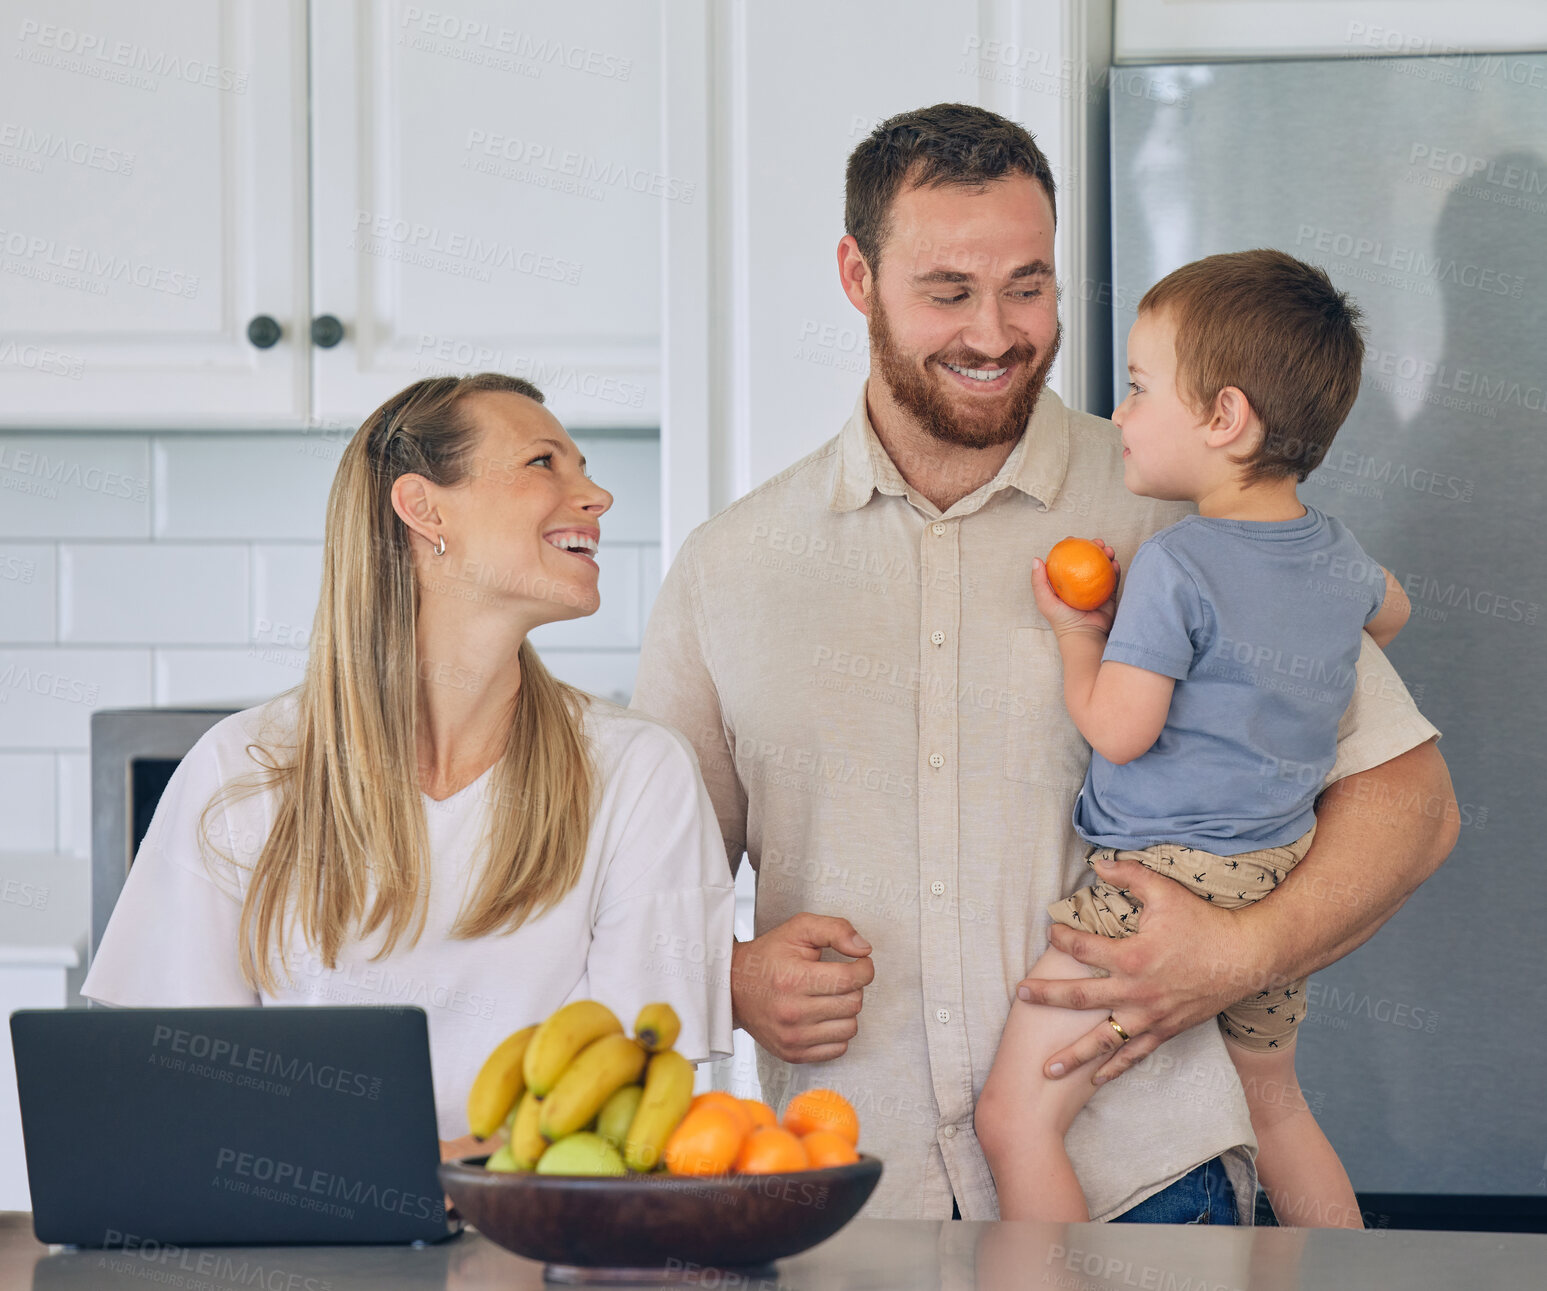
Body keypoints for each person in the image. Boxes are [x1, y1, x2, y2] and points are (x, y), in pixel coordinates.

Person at [631, 103, 1456, 1223]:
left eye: (1027, 285)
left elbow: (1413, 808)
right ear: (854, 275)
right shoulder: (729, 567)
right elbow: (638, 892)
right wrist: (727, 978)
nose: (993, 333)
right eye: (946, 292)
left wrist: (1237, 950)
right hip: (856, 1213)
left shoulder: (1178, 508)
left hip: (1152, 1193)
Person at [82, 373, 735, 1169]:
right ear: (425, 510)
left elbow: (631, 1101)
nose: (594, 494)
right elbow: (173, 1085)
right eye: (543, 463)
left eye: (583, 467)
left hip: (537, 1249)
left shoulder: (638, 773)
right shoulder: (239, 769)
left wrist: (426, 1179)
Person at [975, 250, 1410, 1227]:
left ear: (1222, 417)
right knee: (1276, 1103)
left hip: (1159, 881)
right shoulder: (1337, 554)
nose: (1118, 416)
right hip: (1277, 872)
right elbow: (1392, 612)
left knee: (1014, 1120)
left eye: (1136, 390)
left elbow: (1118, 732)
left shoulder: (1176, 563)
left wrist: (1076, 634)